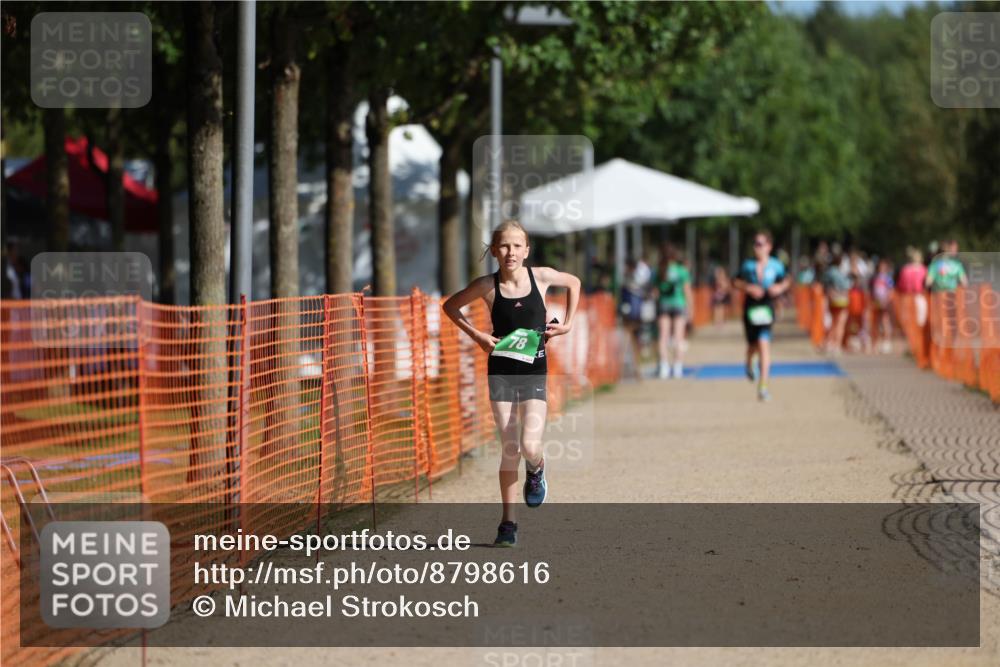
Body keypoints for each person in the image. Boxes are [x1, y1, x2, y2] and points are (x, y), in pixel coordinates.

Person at [442, 220, 580, 547]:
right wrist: (478, 336)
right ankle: (508, 523)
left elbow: (574, 282)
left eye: (517, 246)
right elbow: (450, 306)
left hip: (533, 372)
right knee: (509, 447)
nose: (511, 252)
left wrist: (567, 324)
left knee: (529, 445)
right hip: (501, 372)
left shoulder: (540, 277)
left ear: (526, 250)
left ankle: (537, 469)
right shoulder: (487, 286)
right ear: (493, 250)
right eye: (504, 246)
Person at [732, 231, 791, 402]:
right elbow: (735, 281)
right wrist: (748, 288)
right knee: (753, 345)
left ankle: (763, 387)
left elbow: (787, 280)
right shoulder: (747, 265)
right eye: (755, 244)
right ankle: (749, 361)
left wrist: (779, 288)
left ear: (769, 247)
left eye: (760, 244)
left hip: (767, 307)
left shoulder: (776, 265)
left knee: (764, 344)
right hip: (750, 308)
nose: (757, 247)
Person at [653, 245, 693, 379]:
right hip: (679, 304)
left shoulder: (658, 270)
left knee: (663, 337)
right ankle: (677, 366)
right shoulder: (682, 271)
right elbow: (687, 291)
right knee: (678, 337)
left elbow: (655, 292)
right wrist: (690, 309)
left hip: (663, 304)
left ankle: (664, 366)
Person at [822, 249, 852, 354]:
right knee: (840, 324)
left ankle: (829, 343)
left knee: (833, 323)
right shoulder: (841, 273)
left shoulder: (828, 272)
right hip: (842, 299)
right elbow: (847, 286)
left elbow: (825, 286)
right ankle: (837, 345)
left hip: (832, 299)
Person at [897, 246, 928, 327]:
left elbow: (901, 284)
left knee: (913, 317)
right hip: (913, 295)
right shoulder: (921, 269)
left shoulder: (921, 269)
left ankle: (913, 330)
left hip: (912, 295)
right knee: (916, 317)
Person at [870, 259, 894, 353]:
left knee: (885, 321)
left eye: (883, 266)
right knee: (876, 323)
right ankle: (875, 343)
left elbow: (891, 291)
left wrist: (887, 301)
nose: (881, 268)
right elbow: (872, 290)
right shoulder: (875, 278)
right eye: (880, 266)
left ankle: (886, 342)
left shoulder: (888, 278)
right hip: (876, 302)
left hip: (885, 302)